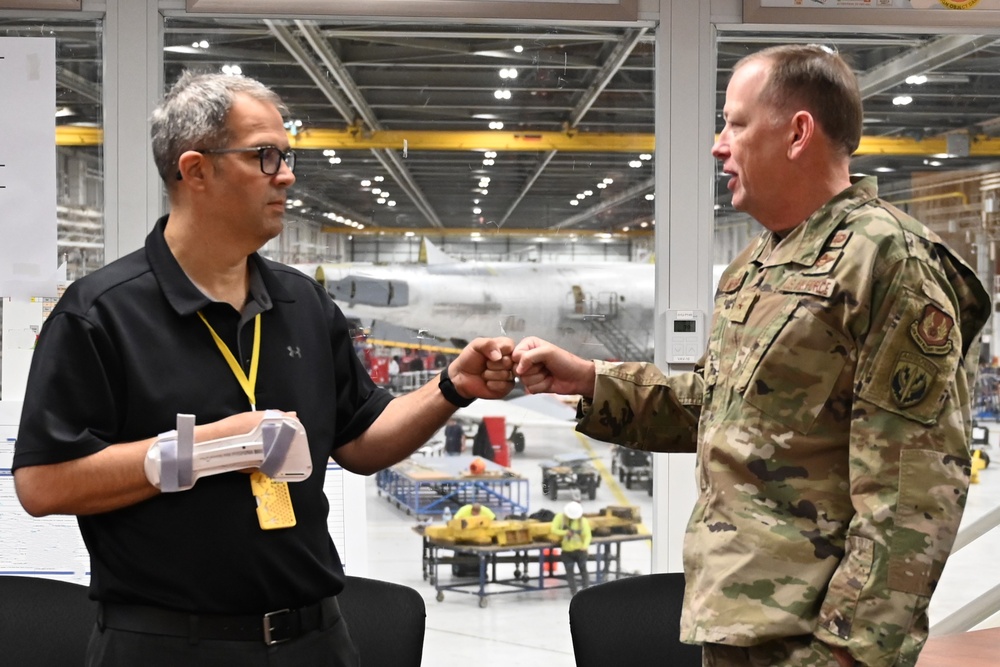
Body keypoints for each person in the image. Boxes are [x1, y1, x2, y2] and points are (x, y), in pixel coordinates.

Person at [12, 71, 516, 667]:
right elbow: (42, 484)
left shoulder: (303, 303)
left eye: (287, 155)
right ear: (196, 170)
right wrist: (199, 451)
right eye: (265, 156)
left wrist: (451, 387)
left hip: (313, 639)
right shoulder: (102, 313)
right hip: (166, 646)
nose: (287, 174)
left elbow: (359, 440)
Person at [513, 44, 991, 667]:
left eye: (735, 123)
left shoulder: (886, 261)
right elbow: (719, 407)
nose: (719, 145)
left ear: (797, 133)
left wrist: (846, 656)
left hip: (815, 643)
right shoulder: (755, 266)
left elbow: (912, 494)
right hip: (736, 624)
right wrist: (589, 381)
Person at [550, 500, 591, 596]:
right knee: (570, 573)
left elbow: (588, 535)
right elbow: (553, 529)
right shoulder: (560, 518)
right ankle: (574, 594)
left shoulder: (583, 521)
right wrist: (564, 532)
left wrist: (585, 546)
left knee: (583, 571)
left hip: (580, 551)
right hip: (567, 552)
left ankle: (586, 593)